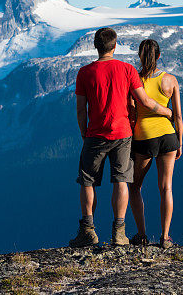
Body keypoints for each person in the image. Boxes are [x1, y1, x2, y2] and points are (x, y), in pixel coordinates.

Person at [69, 27, 172, 248]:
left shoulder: (84, 72)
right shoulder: (127, 69)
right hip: (123, 133)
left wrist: (83, 132)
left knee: (88, 181)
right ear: (115, 46)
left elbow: (80, 109)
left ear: (96, 46)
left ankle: (88, 230)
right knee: (121, 180)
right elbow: (144, 101)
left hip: (95, 133)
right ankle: (119, 232)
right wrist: (167, 112)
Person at [128, 39, 183, 249]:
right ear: (159, 56)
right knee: (166, 187)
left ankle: (141, 235)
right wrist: (180, 141)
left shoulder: (134, 80)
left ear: (140, 57)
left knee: (135, 187)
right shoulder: (170, 80)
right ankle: (165, 237)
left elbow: (132, 111)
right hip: (169, 136)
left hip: (144, 137)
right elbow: (178, 115)